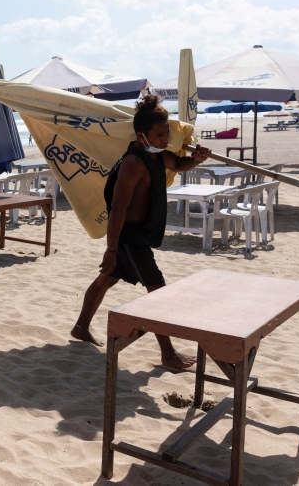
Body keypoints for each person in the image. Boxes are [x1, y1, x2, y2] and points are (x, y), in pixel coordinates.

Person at [70, 94, 210, 370]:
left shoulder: (157, 154)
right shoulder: (133, 164)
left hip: (138, 234)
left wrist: (196, 159)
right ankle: (168, 353)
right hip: (129, 237)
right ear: (141, 135)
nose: (165, 139)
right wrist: (111, 250)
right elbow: (117, 210)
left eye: (167, 133)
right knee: (157, 289)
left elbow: (178, 165)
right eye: (159, 134)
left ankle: (81, 327)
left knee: (108, 278)